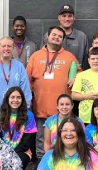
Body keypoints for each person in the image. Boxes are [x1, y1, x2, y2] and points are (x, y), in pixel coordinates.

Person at [26, 26, 80, 162]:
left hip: (63, 110)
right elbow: (27, 80)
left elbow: (81, 74)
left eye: (59, 36)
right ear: (47, 37)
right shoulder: (36, 56)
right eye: (54, 35)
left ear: (63, 39)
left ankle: (64, 163)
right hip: (41, 106)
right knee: (41, 139)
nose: (56, 38)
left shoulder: (69, 57)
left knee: (64, 137)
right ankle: (42, 164)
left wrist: (77, 77)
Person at [0, 87, 37, 170]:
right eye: (12, 97)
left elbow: (27, 141)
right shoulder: (0, 114)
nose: (15, 100)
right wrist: (5, 152)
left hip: (22, 150)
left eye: (18, 97)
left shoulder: (28, 115)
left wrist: (12, 153)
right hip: (3, 149)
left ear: (22, 100)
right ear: (7, 99)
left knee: (19, 160)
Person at [0, 37, 32, 120]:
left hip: (15, 117)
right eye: (3, 46)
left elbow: (26, 91)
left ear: (13, 48)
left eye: (9, 46)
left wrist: (24, 111)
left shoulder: (19, 67)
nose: (6, 48)